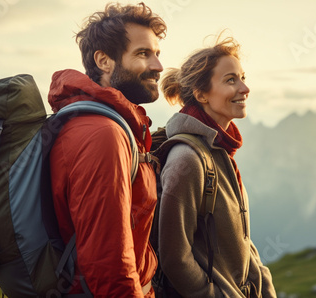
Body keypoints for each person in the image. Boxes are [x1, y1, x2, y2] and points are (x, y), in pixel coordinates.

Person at [47, 2, 166, 297]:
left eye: (157, 54)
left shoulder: (106, 125)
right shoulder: (104, 135)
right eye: (143, 54)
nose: (158, 67)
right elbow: (109, 266)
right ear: (104, 61)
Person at [158, 37, 277, 297]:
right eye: (231, 80)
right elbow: (174, 257)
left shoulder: (220, 150)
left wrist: (265, 287)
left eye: (242, 77)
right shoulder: (187, 160)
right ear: (201, 94)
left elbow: (241, 240)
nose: (245, 88)